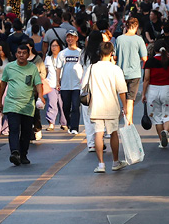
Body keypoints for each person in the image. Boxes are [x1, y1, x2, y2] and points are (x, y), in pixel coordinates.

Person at [83, 41, 129, 173]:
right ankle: (115, 162)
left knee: (98, 133)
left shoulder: (92, 68)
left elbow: (83, 86)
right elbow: (121, 90)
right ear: (112, 53)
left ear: (99, 52)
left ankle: (101, 164)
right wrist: (125, 106)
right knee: (113, 133)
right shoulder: (115, 69)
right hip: (111, 106)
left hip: (96, 106)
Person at [0, 45, 43, 166]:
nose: (21, 55)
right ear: (16, 54)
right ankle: (15, 152)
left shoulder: (32, 68)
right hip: (12, 104)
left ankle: (23, 155)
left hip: (28, 105)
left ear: (28, 55)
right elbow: (3, 84)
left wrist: (41, 96)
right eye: (19, 52)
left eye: (24, 53)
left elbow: (38, 83)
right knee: (13, 129)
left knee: (26, 131)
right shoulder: (9, 67)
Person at [142, 41, 169, 148]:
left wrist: (143, 94)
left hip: (153, 90)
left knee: (157, 117)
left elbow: (146, 79)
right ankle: (166, 132)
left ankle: (161, 141)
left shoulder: (149, 62)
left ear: (154, 50)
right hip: (167, 89)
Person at [115, 17, 147, 123]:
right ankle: (129, 123)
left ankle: (123, 119)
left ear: (126, 26)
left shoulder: (119, 39)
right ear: (136, 27)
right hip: (135, 74)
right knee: (130, 100)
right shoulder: (139, 40)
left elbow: (115, 57)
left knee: (122, 99)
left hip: (121, 73)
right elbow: (144, 58)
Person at [57, 30, 84, 135]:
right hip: (65, 85)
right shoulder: (62, 53)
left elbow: (84, 67)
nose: (70, 39)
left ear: (76, 38)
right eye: (68, 37)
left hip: (77, 85)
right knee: (66, 107)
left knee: (76, 106)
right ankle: (69, 123)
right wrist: (57, 81)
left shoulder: (80, 53)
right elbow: (58, 68)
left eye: (72, 37)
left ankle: (74, 127)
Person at [43, 39, 67, 131]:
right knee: (52, 104)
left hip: (62, 85)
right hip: (51, 84)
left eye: (56, 46)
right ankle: (51, 123)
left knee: (62, 104)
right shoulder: (48, 58)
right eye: (52, 46)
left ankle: (64, 123)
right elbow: (45, 71)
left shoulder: (63, 58)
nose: (54, 48)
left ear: (60, 47)